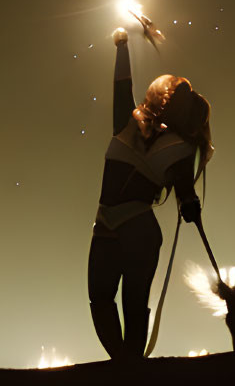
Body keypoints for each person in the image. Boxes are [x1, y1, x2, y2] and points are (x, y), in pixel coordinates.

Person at [88, 26, 214, 360]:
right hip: (118, 227)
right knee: (109, 300)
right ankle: (126, 365)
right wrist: (121, 47)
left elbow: (122, 86)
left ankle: (126, 366)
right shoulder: (136, 125)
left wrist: (122, 46)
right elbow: (122, 86)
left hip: (128, 228)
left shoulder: (159, 138)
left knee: (117, 301)